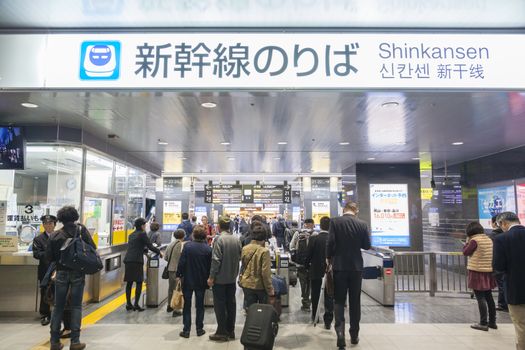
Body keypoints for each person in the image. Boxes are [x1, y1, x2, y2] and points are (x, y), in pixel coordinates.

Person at [46, 206, 96, 350]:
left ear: (60, 219)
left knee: (58, 306)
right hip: (78, 273)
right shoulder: (81, 231)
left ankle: (54, 342)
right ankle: (75, 341)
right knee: (75, 306)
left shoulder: (55, 235)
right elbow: (93, 247)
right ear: (75, 217)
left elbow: (48, 257)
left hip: (61, 273)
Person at [326, 202, 371, 349]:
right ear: (355, 210)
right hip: (356, 267)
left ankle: (340, 335)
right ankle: (354, 335)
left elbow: (330, 243)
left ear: (344, 209)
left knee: (339, 301)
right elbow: (366, 245)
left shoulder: (335, 222)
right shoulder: (362, 224)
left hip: (339, 266)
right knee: (355, 302)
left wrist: (328, 257)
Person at [207, 216, 242, 342]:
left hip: (220, 279)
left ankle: (221, 331)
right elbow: (239, 256)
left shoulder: (219, 239)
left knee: (220, 305)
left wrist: (211, 277)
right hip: (232, 278)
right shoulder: (236, 239)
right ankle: (230, 330)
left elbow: (216, 260)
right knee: (231, 304)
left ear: (219, 226)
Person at [494, 212, 525, 349]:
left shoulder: (502, 239)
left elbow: (498, 266)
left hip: (515, 289)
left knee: (521, 325)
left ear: (504, 223)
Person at [176, 225, 212, 338]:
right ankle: (199, 329)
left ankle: (186, 330)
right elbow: (210, 266)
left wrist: (178, 275)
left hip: (188, 280)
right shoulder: (208, 249)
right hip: (201, 281)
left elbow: (182, 262)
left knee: (187, 305)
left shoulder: (187, 247)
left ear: (193, 235)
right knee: (200, 305)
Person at [463, 221, 497, 331]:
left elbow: (466, 252)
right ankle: (492, 322)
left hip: (477, 271)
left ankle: (483, 323)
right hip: (488, 271)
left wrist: (466, 243)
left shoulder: (474, 240)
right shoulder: (488, 239)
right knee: (489, 297)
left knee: (480, 298)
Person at [123, 217, 162, 312]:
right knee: (139, 282)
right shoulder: (142, 234)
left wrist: (144, 251)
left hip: (128, 260)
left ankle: (128, 304)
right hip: (136, 260)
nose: (145, 226)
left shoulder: (131, 234)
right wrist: (159, 252)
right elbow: (150, 246)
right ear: (142, 225)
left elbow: (136, 246)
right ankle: (136, 304)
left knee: (129, 282)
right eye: (145, 225)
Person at [306, 216, 334, 328]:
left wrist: (306, 266)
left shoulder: (314, 239)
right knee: (329, 295)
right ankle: (328, 321)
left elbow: (308, 256)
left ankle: (315, 316)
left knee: (315, 294)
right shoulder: (334, 239)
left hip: (315, 271)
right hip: (330, 272)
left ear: (320, 225)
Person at [239, 223, 275, 309]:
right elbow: (265, 273)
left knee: (250, 311)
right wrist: (270, 289)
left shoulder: (245, 248)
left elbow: (243, 266)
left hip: (246, 284)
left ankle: (250, 322)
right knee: (262, 311)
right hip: (260, 286)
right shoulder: (264, 251)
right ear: (264, 237)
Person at [33, 214, 56, 326]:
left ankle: (58, 315)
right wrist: (49, 254)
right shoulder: (38, 239)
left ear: (54, 225)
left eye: (50, 223)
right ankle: (45, 315)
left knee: (59, 292)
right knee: (45, 292)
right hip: (45, 270)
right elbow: (36, 254)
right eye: (46, 223)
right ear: (43, 225)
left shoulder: (59, 236)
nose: (48, 225)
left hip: (58, 270)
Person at [290, 218, 314, 311]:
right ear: (313, 224)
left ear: (304, 224)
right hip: (312, 264)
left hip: (301, 264)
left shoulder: (298, 233)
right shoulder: (315, 234)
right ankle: (312, 302)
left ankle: (305, 303)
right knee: (312, 284)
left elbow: (291, 246)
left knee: (303, 283)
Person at [489, 215, 508, 312]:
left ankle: (503, 304)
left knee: (501, 284)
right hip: (509, 263)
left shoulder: (493, 236)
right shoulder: (507, 234)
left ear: (494, 223)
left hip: (497, 263)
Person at [165, 229, 186, 316]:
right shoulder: (181, 245)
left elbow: (166, 258)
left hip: (170, 269)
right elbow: (183, 259)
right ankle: (176, 310)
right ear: (183, 236)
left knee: (171, 289)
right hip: (178, 271)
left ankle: (170, 305)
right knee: (178, 289)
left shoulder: (170, 244)